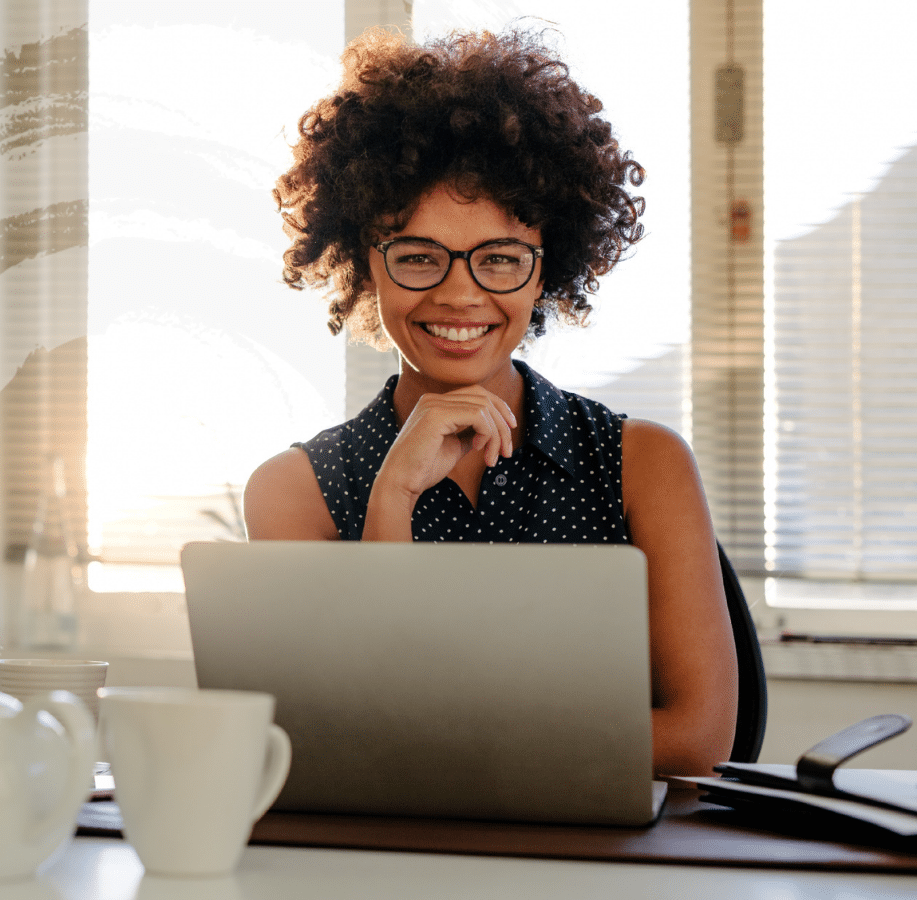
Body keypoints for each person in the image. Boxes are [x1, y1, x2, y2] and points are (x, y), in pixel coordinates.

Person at [243, 27, 737, 777]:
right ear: (365, 267)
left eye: (500, 258)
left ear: (547, 270)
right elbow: (337, 730)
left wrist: (450, 745)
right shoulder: (293, 491)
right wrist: (393, 500)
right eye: (417, 256)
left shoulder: (646, 465)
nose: (459, 292)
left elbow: (699, 738)